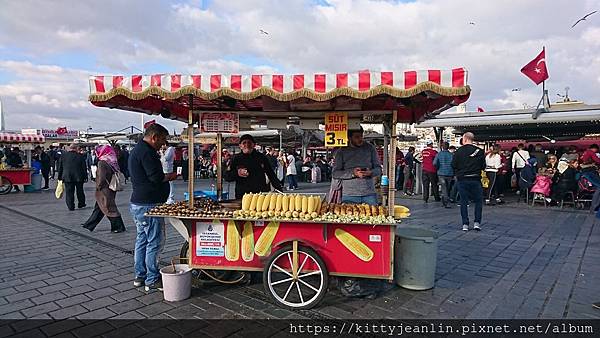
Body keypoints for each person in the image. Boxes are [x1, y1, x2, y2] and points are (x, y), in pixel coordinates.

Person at [129, 123, 177, 291]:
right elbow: (155, 177)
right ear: (154, 137)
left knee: (142, 240)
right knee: (154, 242)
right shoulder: (147, 152)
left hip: (138, 203)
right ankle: (152, 279)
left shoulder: (138, 150)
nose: (163, 144)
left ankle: (139, 276)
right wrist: (170, 176)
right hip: (149, 204)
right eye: (162, 139)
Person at [81, 145, 126, 233]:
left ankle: (119, 226)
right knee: (100, 207)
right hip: (110, 188)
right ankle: (89, 224)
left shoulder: (102, 162)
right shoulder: (112, 160)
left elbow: (101, 177)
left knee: (109, 207)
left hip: (104, 189)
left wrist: (98, 186)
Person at [332, 127, 382, 206]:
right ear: (349, 138)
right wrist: (353, 173)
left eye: (361, 136)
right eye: (357, 137)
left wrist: (371, 172)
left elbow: (379, 169)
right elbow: (335, 173)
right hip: (349, 195)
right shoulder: (341, 151)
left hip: (369, 193)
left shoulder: (370, 148)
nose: (360, 139)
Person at [224, 135, 283, 199]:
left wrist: (279, 190)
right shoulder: (235, 158)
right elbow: (227, 176)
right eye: (244, 143)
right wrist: (237, 173)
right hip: (242, 195)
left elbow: (271, 174)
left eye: (249, 142)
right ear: (240, 146)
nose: (247, 145)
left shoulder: (261, 157)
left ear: (254, 145)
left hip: (260, 194)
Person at [452, 132, 485, 231]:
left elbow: (453, 165)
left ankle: (465, 224)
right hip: (475, 179)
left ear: (465, 139)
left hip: (462, 179)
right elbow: (483, 166)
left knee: (463, 202)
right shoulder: (479, 151)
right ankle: (477, 223)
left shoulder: (458, 151)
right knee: (478, 201)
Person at [57, 144, 87, 211]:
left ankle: (70, 206)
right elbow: (83, 167)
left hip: (67, 176)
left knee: (69, 192)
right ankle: (81, 204)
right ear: (76, 148)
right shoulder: (80, 156)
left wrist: (60, 176)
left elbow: (60, 167)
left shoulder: (63, 156)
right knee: (80, 191)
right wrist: (85, 176)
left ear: (69, 148)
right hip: (79, 176)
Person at [433, 142, 453, 208]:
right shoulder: (451, 155)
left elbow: (434, 163)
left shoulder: (439, 154)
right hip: (450, 173)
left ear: (442, 147)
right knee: (448, 188)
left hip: (441, 173)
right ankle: (445, 201)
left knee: (444, 188)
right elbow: (454, 164)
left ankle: (445, 202)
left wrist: (438, 168)